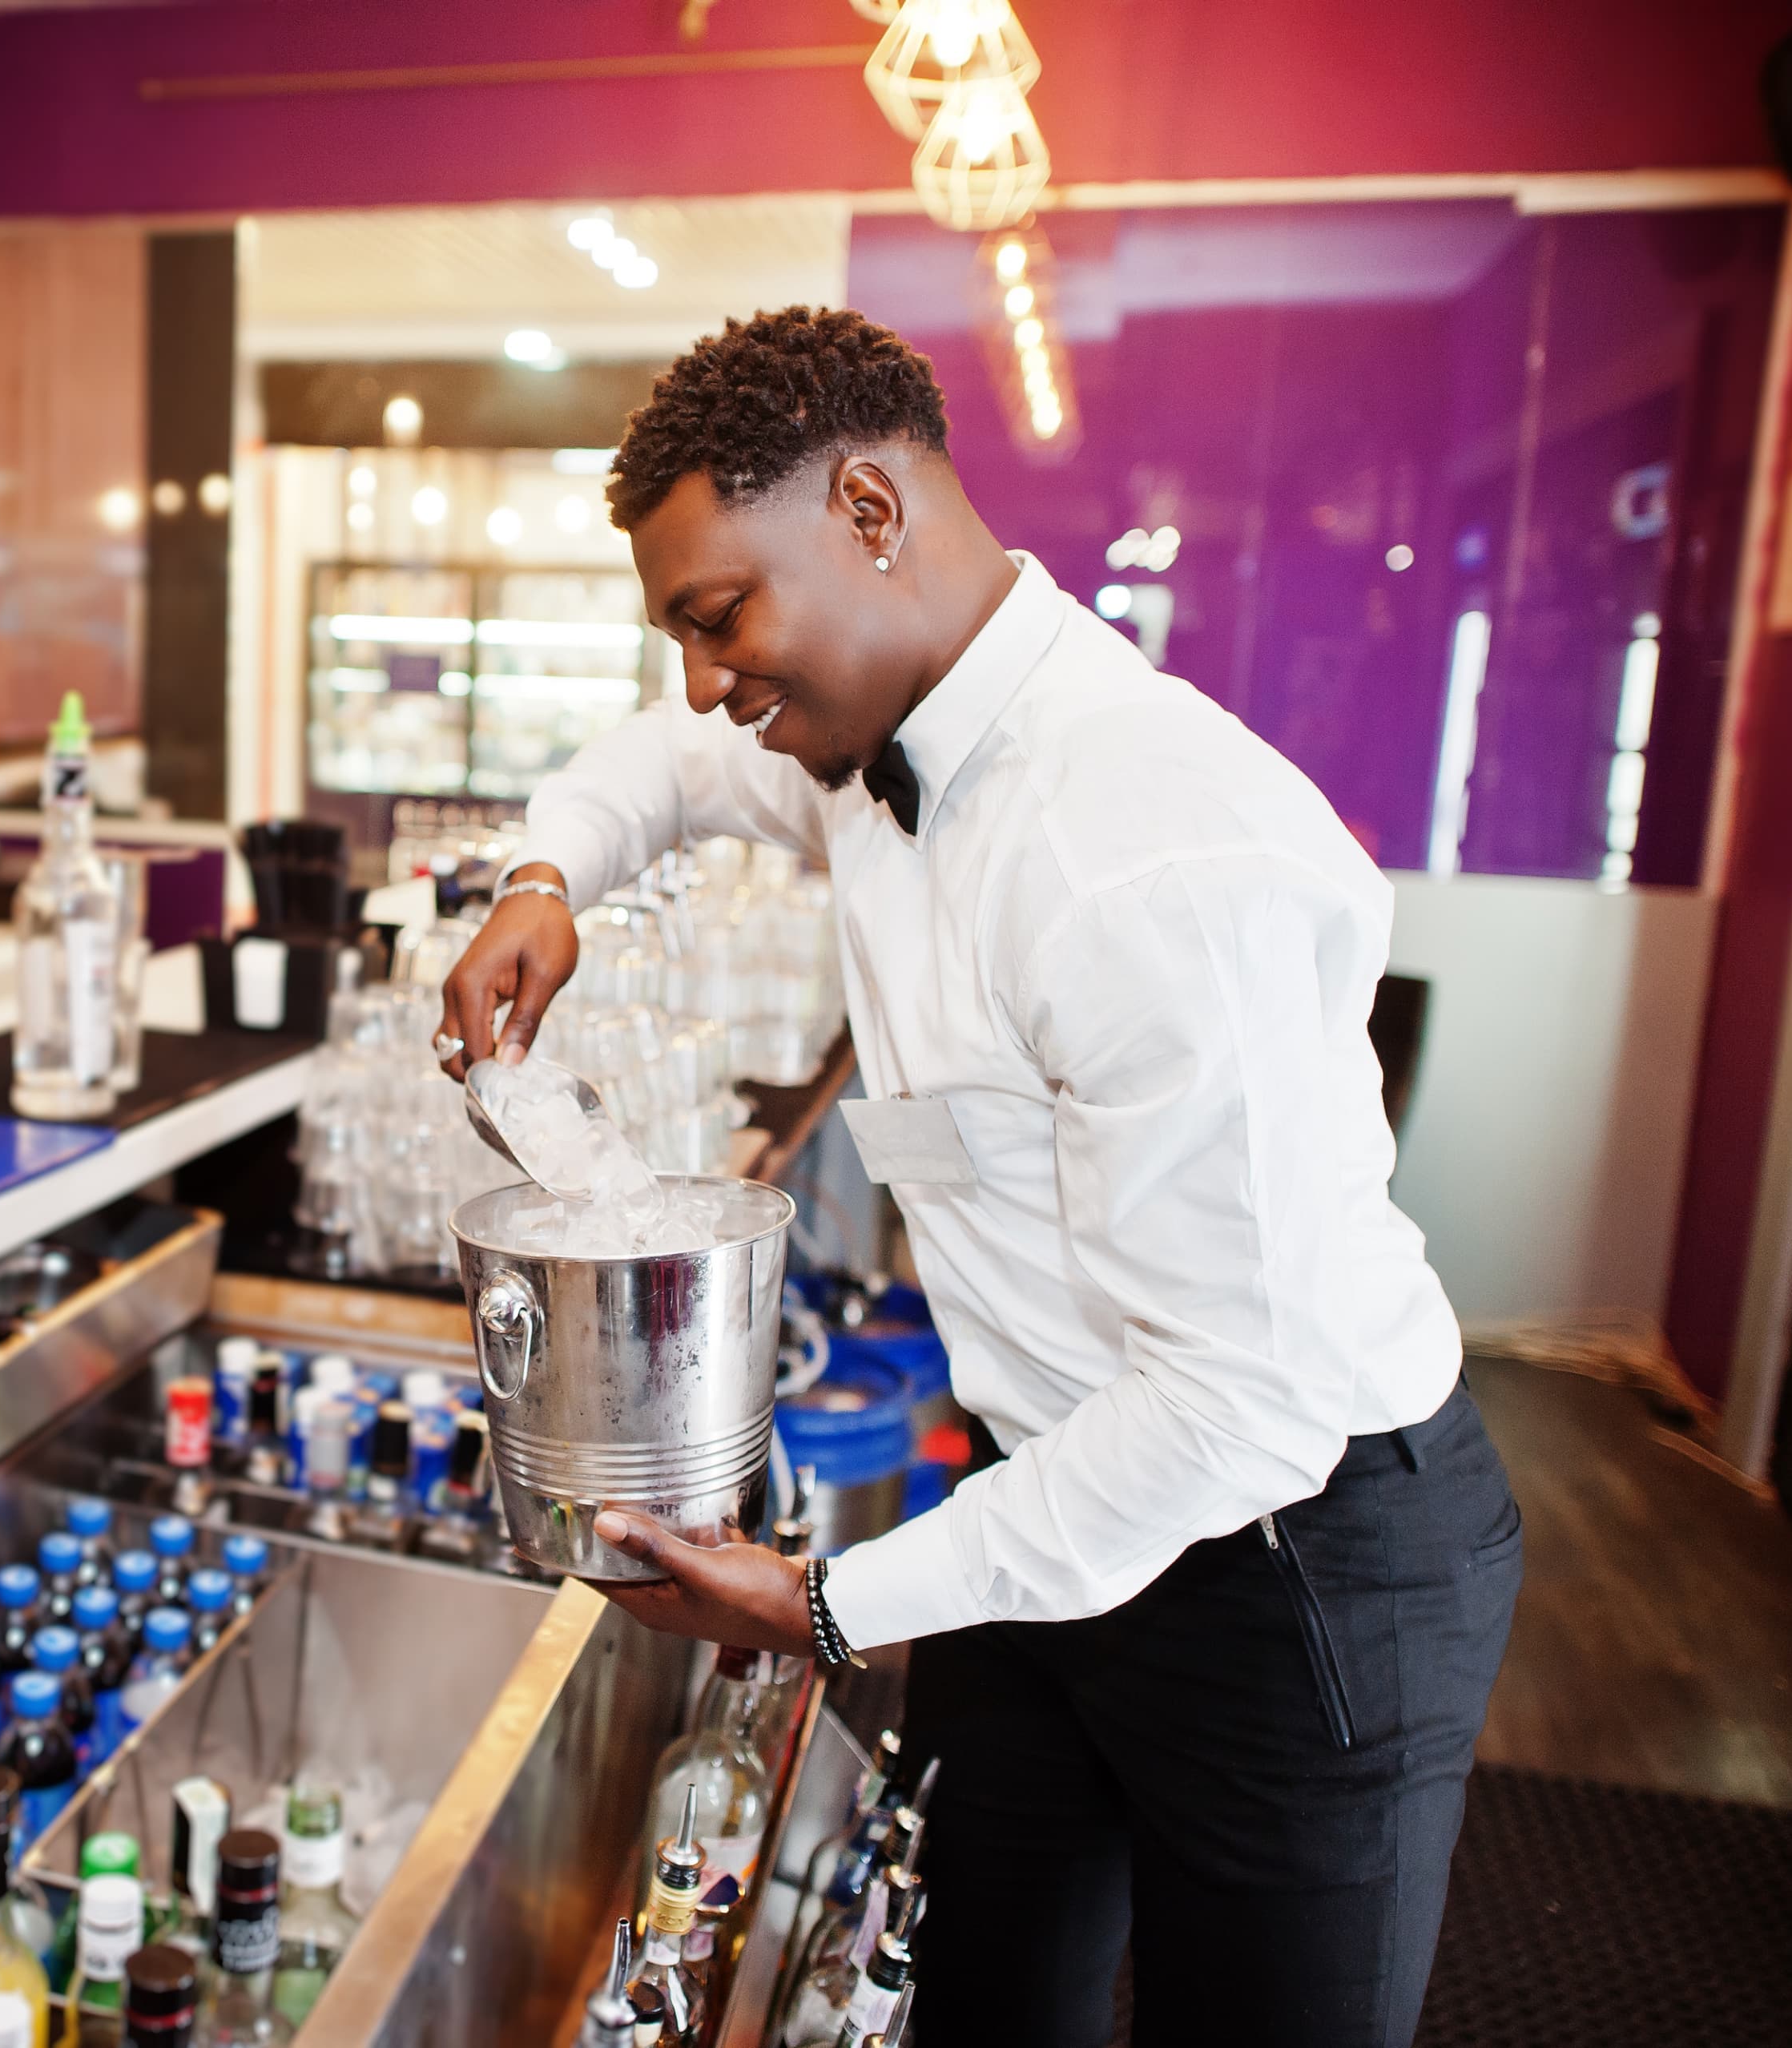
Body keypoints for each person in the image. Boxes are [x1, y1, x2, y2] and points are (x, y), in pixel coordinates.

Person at [437, 307, 1521, 2048]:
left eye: (719, 618)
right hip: (1046, 1502)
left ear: (870, 511)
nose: (705, 682)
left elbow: (1241, 1404)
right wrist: (542, 880)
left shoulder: (1145, 851)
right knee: (979, 2004)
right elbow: (660, 764)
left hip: (1295, 1560)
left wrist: (824, 1604)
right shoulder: (868, 739)